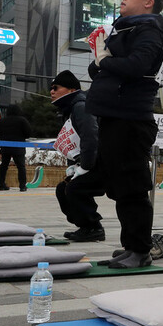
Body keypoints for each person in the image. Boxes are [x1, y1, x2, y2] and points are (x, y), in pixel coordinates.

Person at [87, 0, 163, 269]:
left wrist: (104, 61)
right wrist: (98, 58)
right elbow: (102, 69)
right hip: (115, 116)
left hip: (131, 119)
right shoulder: (126, 30)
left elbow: (138, 66)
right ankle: (131, 246)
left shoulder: (149, 31)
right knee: (121, 187)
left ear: (148, 3)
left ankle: (140, 250)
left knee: (132, 187)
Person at [51, 71, 105, 242]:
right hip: (88, 162)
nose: (51, 91)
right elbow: (74, 142)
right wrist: (73, 166)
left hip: (99, 163)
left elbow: (90, 136)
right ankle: (86, 226)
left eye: (56, 88)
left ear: (71, 89)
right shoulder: (70, 109)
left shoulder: (81, 106)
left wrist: (85, 166)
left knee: (74, 189)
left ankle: (93, 227)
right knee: (63, 189)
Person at [0, 104, 32, 191]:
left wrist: (4, 137)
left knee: (4, 166)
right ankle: (22, 186)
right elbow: (28, 133)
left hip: (5, 146)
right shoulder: (22, 120)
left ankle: (1, 185)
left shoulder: (2, 121)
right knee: (21, 166)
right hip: (18, 146)